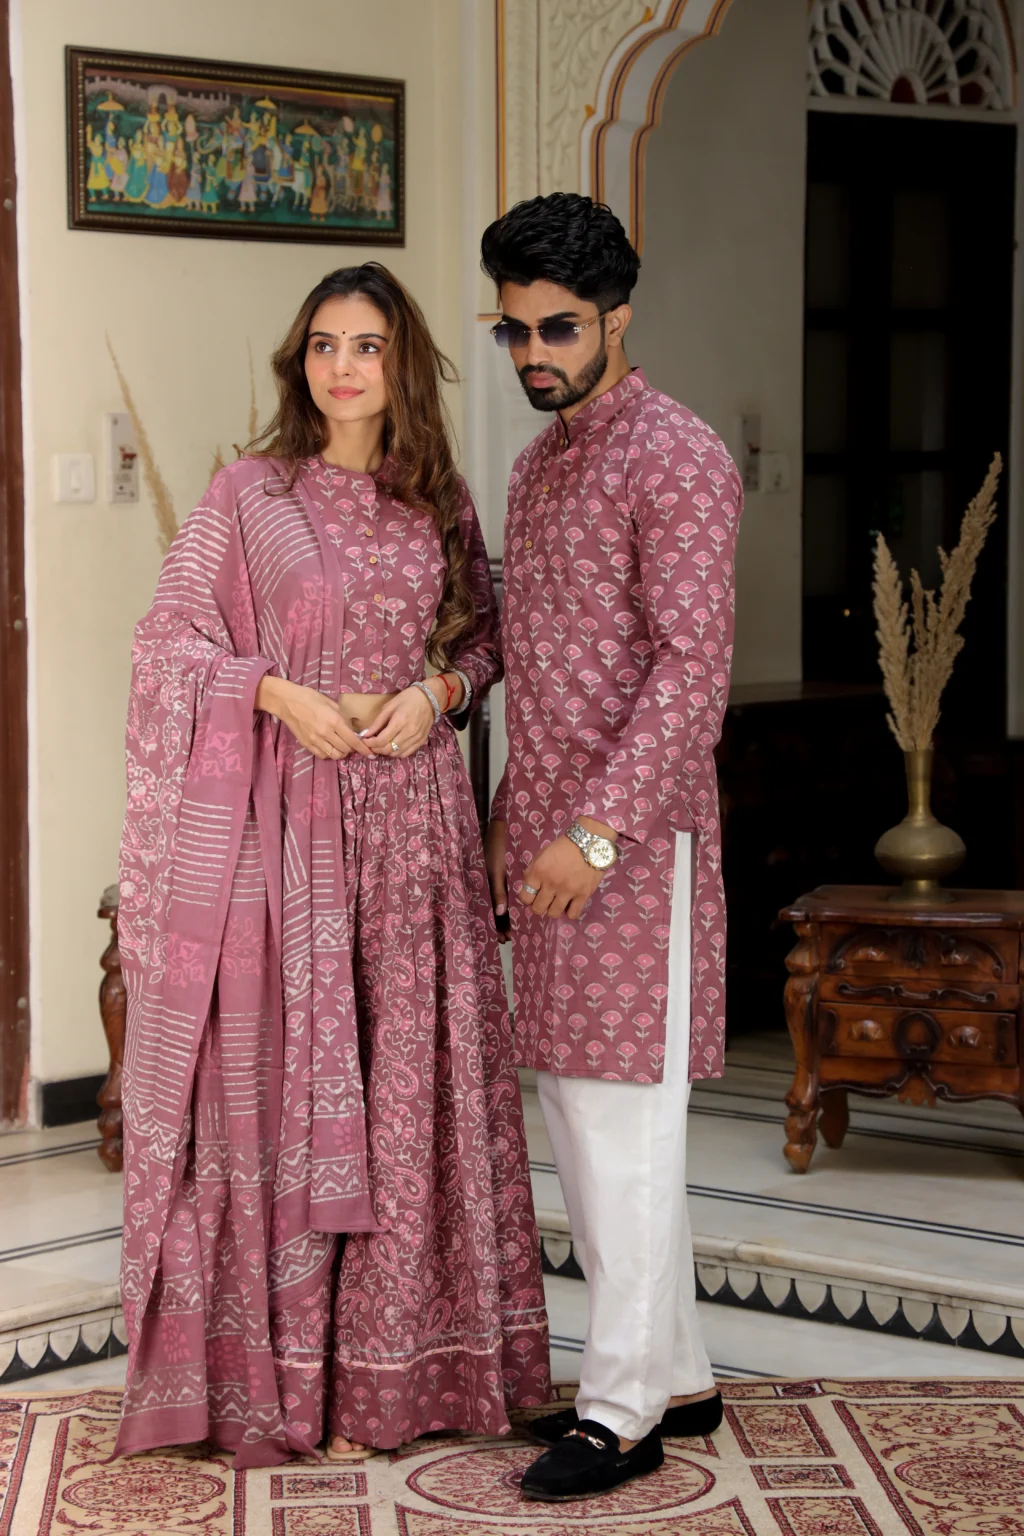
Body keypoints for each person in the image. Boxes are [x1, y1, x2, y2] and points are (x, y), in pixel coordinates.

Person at [116, 262, 550, 1470]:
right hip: (288, 834)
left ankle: (417, 1374)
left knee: (411, 1087)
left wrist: (438, 693)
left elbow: (490, 630)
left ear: (400, 363)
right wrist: (269, 692)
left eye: (365, 346)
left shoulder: (436, 500)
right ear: (298, 361)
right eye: (323, 345)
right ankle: (298, 1382)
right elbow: (167, 643)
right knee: (307, 1080)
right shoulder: (249, 493)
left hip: (414, 831)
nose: (342, 367)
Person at [480, 193, 742, 1502]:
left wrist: (596, 831)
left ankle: (622, 1408)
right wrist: (514, 823)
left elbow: (693, 672)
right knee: (585, 1118)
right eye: (514, 327)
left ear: (618, 320)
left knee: (625, 1123)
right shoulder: (537, 468)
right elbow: (537, 663)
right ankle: (679, 1371)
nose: (535, 351)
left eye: (560, 328)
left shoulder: (677, 455)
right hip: (552, 838)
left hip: (637, 847)